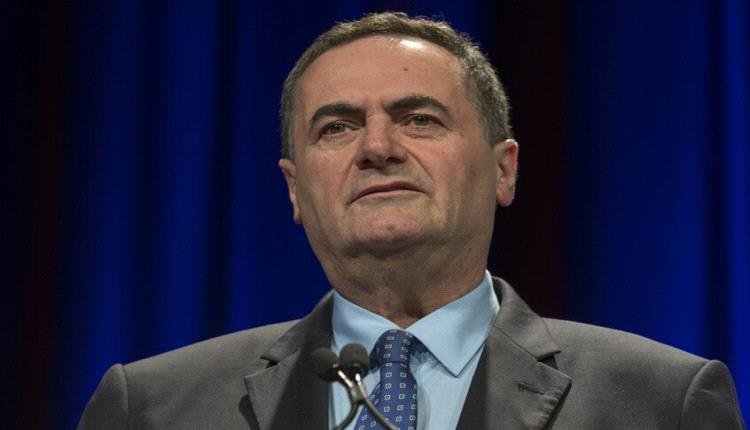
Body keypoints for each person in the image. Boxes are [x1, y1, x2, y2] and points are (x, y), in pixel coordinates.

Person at [78, 12, 744, 429]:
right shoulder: (153, 409)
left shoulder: (660, 402)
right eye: (336, 128)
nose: (376, 147)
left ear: (504, 169)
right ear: (295, 190)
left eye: (419, 119)